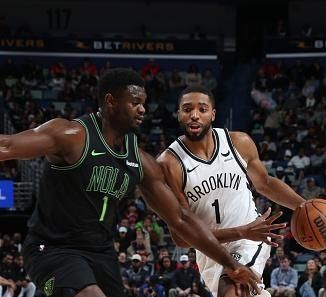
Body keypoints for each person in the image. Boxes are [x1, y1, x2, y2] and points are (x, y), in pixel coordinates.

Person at [0, 69, 262, 297]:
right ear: (110, 101)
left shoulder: (140, 160)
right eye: (135, 102)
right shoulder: (71, 135)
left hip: (100, 253)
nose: (142, 109)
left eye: (144, 103)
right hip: (53, 249)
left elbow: (180, 219)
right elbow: (7, 145)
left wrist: (231, 264)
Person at [157, 86, 306, 297]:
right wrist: (240, 231)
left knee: (233, 287)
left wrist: (304, 206)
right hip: (209, 249)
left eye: (202, 109)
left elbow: (264, 183)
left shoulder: (238, 142)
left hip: (249, 237)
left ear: (213, 114)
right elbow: (181, 238)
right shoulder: (168, 164)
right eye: (187, 109)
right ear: (179, 114)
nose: (194, 115)